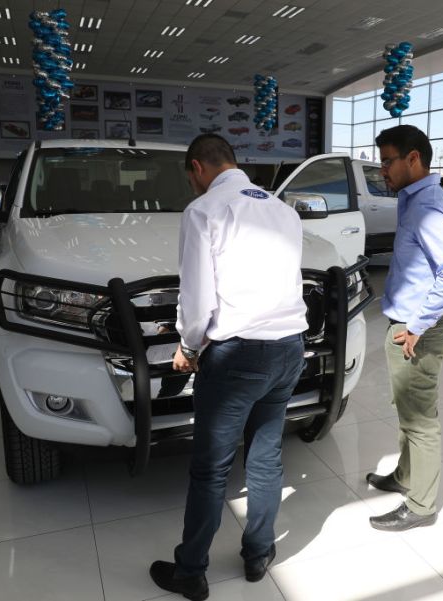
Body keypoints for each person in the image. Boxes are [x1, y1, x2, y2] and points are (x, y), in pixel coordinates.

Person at [149, 134, 308, 601]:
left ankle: (191, 572)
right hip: (289, 349)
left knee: (211, 469)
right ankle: (258, 554)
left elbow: (196, 296)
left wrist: (188, 346)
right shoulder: (282, 210)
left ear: (197, 168)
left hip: (238, 354)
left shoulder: (203, 211)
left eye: (191, 177)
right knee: (265, 457)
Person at [365, 125, 443, 532]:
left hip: (417, 332)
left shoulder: (426, 205)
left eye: (388, 161)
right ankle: (406, 476)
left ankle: (421, 505)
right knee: (409, 411)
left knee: (421, 420)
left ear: (414, 159)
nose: (382, 171)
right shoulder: (417, 200)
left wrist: (416, 325)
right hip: (411, 326)